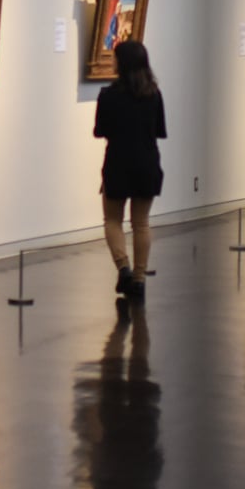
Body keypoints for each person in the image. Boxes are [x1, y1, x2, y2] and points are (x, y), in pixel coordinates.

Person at [94, 39, 167, 301]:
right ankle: (139, 279)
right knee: (141, 223)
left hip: (117, 162)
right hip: (146, 162)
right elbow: (159, 130)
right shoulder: (153, 95)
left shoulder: (108, 95)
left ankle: (123, 267)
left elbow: (99, 131)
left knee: (112, 220)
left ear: (122, 64)